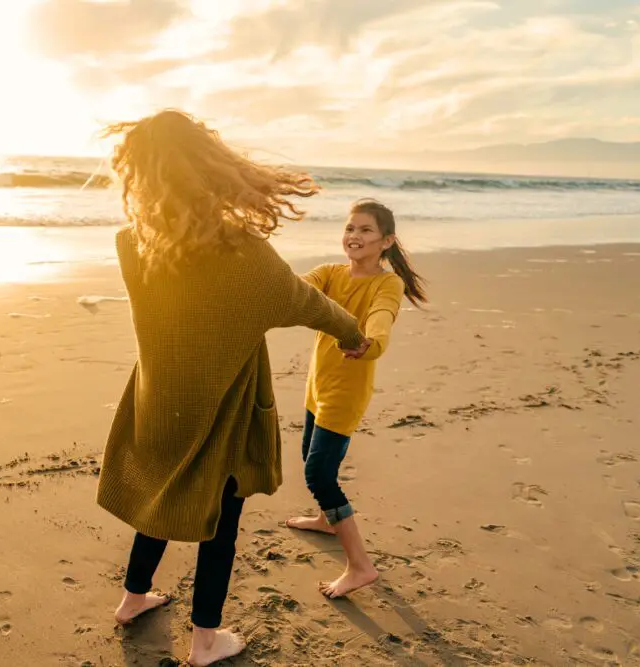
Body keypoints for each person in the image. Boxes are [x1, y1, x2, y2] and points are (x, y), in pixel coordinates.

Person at [94, 109, 369, 667]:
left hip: (157, 402)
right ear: (212, 169)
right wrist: (352, 333)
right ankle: (205, 641)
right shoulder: (241, 253)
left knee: (159, 498)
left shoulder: (134, 244)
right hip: (220, 408)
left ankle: (132, 599)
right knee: (219, 524)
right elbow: (303, 301)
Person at [286, 198, 428, 599]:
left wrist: (370, 343)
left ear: (386, 241)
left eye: (366, 230)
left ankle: (361, 566)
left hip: (345, 394)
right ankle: (326, 520)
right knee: (309, 456)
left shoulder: (387, 284)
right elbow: (298, 287)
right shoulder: (330, 273)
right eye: (350, 228)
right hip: (317, 387)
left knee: (319, 475)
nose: (354, 236)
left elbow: (382, 317)